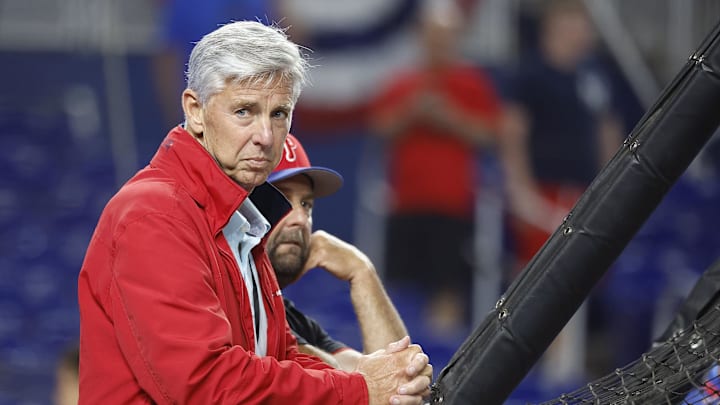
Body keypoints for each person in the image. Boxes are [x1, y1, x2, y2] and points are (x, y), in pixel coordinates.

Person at [78, 20, 431, 404]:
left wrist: (380, 376)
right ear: (195, 111)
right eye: (244, 111)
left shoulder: (241, 221)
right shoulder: (154, 214)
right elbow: (205, 384)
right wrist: (359, 389)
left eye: (279, 113)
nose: (265, 136)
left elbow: (279, 357)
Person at [499, 0, 624, 388]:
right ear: (557, 24)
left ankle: (564, 373)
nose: (587, 32)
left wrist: (613, 185)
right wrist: (520, 190)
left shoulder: (594, 75)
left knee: (579, 285)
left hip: (585, 194)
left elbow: (608, 130)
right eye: (579, 22)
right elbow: (512, 132)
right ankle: (540, 376)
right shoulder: (531, 75)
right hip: (545, 193)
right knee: (541, 283)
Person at [368, 0, 502, 335]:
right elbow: (380, 128)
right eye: (433, 36)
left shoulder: (472, 83)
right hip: (406, 204)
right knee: (399, 288)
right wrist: (413, 112)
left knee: (448, 288)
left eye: (445, 36)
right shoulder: (402, 83)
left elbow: (489, 133)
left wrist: (448, 117)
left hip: (453, 206)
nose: (439, 43)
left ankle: (440, 364)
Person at [265, 133, 409, 372]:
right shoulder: (228, 302)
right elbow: (364, 384)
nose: (300, 218)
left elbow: (398, 383)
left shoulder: (293, 320)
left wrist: (361, 271)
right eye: (282, 199)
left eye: (306, 204)